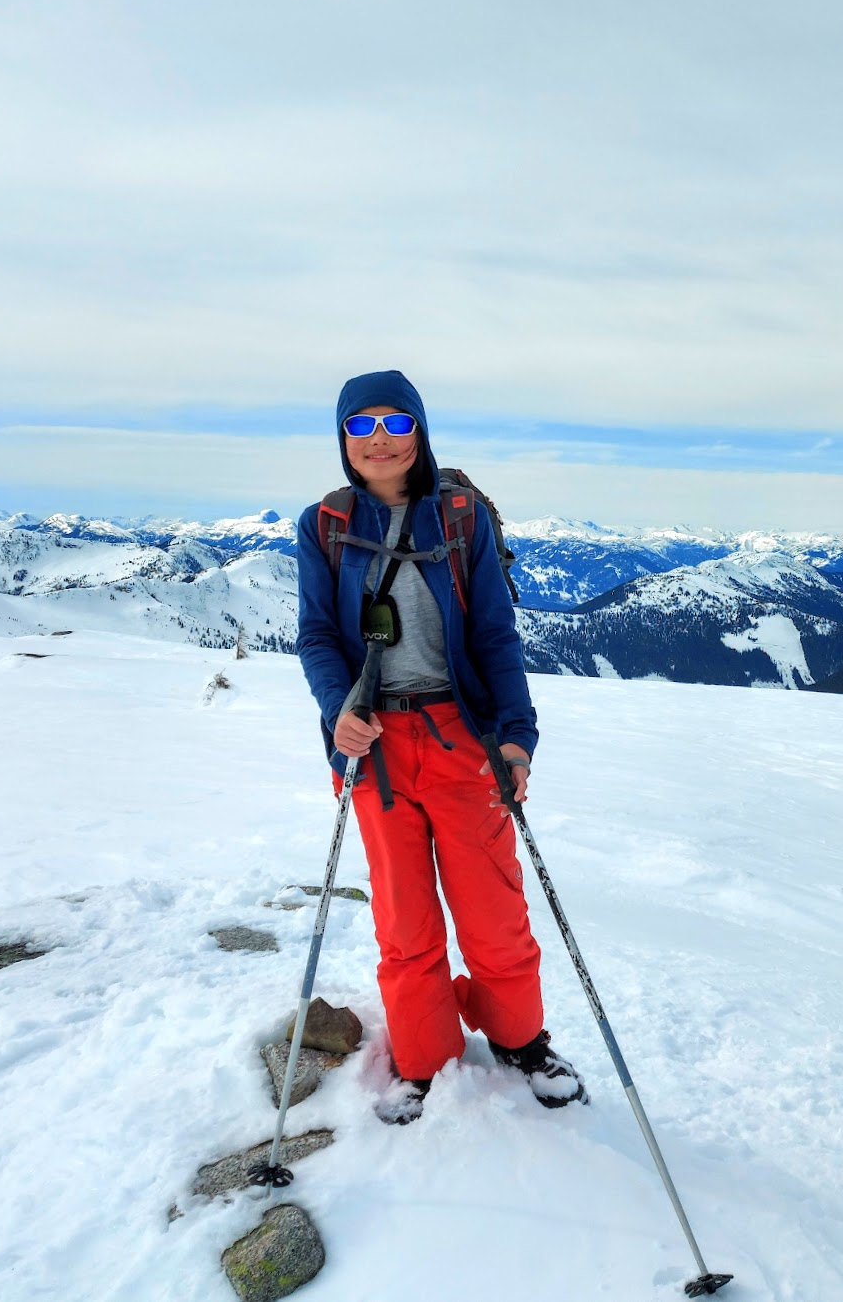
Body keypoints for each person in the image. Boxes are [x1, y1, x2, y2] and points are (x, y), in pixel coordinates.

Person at [296, 369, 586, 1123]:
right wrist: (337, 713)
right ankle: (425, 1059)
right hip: (375, 751)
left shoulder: (459, 519)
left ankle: (520, 1041)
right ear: (343, 441)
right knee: (404, 919)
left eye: (395, 423)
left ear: (419, 431)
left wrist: (517, 739)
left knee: (493, 911)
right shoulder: (323, 524)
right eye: (362, 427)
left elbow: (494, 630)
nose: (379, 439)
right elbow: (316, 636)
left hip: (462, 741)